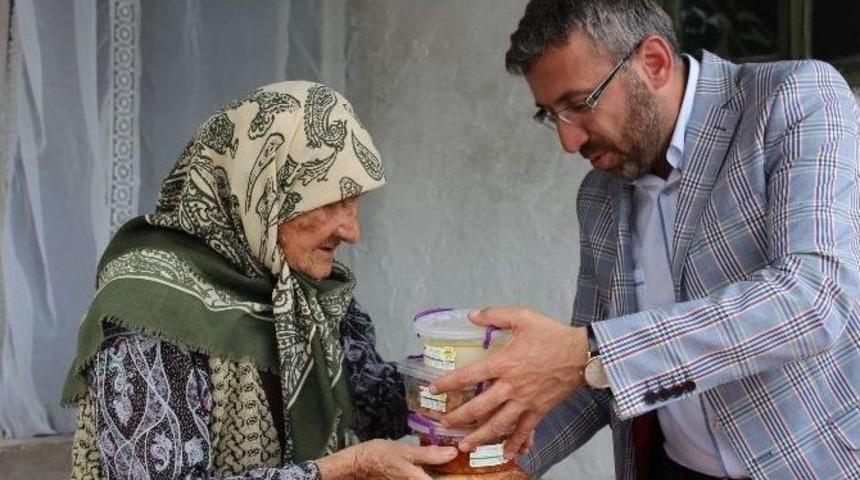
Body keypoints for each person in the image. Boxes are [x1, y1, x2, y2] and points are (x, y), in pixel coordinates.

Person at [431, 1, 860, 479]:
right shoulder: (599, 195)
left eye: (579, 104)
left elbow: (814, 299)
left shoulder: (794, 99)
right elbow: (595, 380)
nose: (568, 142)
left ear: (652, 62)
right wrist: (505, 464)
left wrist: (587, 351)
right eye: (551, 115)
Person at [62, 81, 460, 479]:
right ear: (262, 193)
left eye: (355, 202)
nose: (352, 231)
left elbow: (372, 404)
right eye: (331, 201)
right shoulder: (151, 309)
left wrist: (466, 381)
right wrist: (342, 469)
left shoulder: (304, 293)